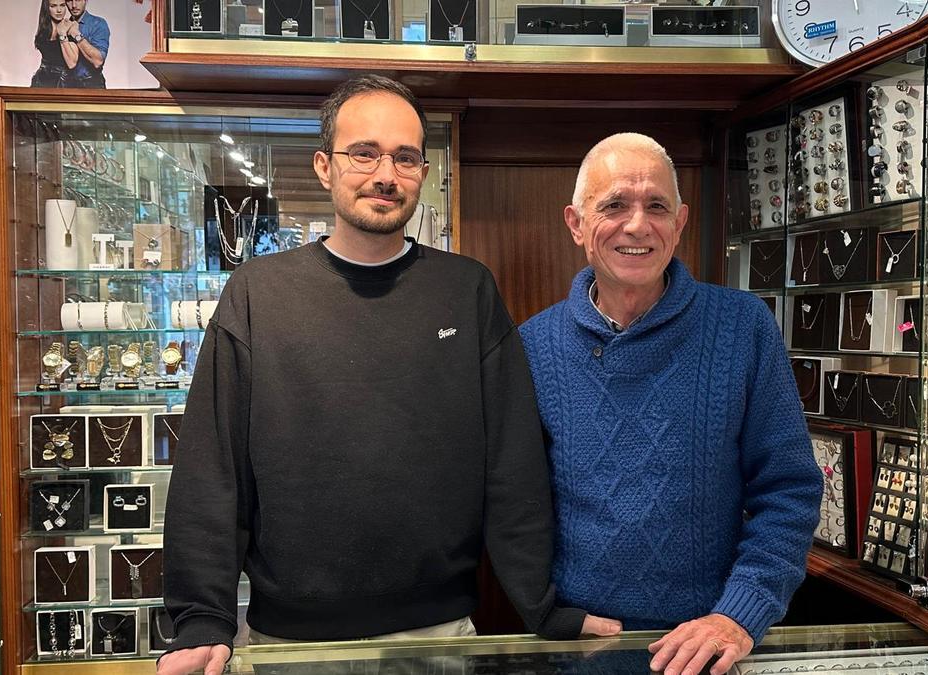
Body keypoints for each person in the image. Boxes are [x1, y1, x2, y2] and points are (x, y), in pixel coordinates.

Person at [157, 75, 618, 675]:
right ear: (325, 166)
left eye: (404, 157)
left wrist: (542, 605)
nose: (385, 174)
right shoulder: (257, 293)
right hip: (292, 644)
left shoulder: (467, 290)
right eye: (364, 153)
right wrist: (201, 617)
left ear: (422, 172)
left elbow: (512, 463)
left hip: (440, 638)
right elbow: (211, 470)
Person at [519, 133, 824, 675]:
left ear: (680, 223)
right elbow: (512, 502)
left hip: (710, 648)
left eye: (656, 206)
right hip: (580, 647)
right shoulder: (534, 345)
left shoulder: (743, 328)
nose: (637, 225)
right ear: (576, 224)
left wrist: (739, 614)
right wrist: (543, 610)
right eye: (614, 205)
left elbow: (789, 491)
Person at [60, 0, 109, 88]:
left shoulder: (98, 23)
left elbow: (98, 61)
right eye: (69, 1)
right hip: (67, 85)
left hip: (92, 85)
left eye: (78, 0)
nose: (74, 5)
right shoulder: (63, 26)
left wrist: (76, 35)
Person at [30, 0, 78, 88]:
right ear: (47, 8)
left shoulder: (70, 26)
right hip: (41, 82)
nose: (59, 10)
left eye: (62, 5)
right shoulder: (44, 29)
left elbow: (71, 63)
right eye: (53, 6)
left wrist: (62, 34)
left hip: (62, 84)